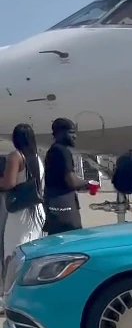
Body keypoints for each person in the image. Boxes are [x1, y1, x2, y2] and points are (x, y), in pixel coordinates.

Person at [0, 124, 45, 293]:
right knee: (31, 250)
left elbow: (9, 183)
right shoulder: (37, 158)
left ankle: (10, 291)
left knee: (13, 252)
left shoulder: (16, 156)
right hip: (36, 210)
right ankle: (28, 290)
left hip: (21, 212)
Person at [43, 118, 91, 235]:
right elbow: (71, 181)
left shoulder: (53, 150)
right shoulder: (62, 152)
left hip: (54, 205)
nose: (75, 136)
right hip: (64, 207)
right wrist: (87, 184)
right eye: (71, 132)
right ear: (60, 133)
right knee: (72, 237)